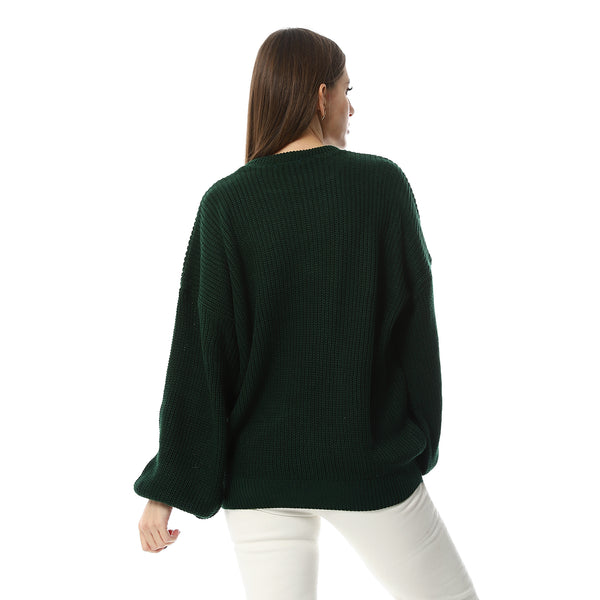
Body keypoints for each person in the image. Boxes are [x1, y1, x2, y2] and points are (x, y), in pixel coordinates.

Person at [134, 27, 480, 600]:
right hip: (368, 464)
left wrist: (166, 488)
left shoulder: (226, 204)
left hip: (258, 478)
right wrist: (420, 443)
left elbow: (202, 357)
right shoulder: (382, 186)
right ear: (321, 96)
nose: (352, 107)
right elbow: (415, 332)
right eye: (348, 90)